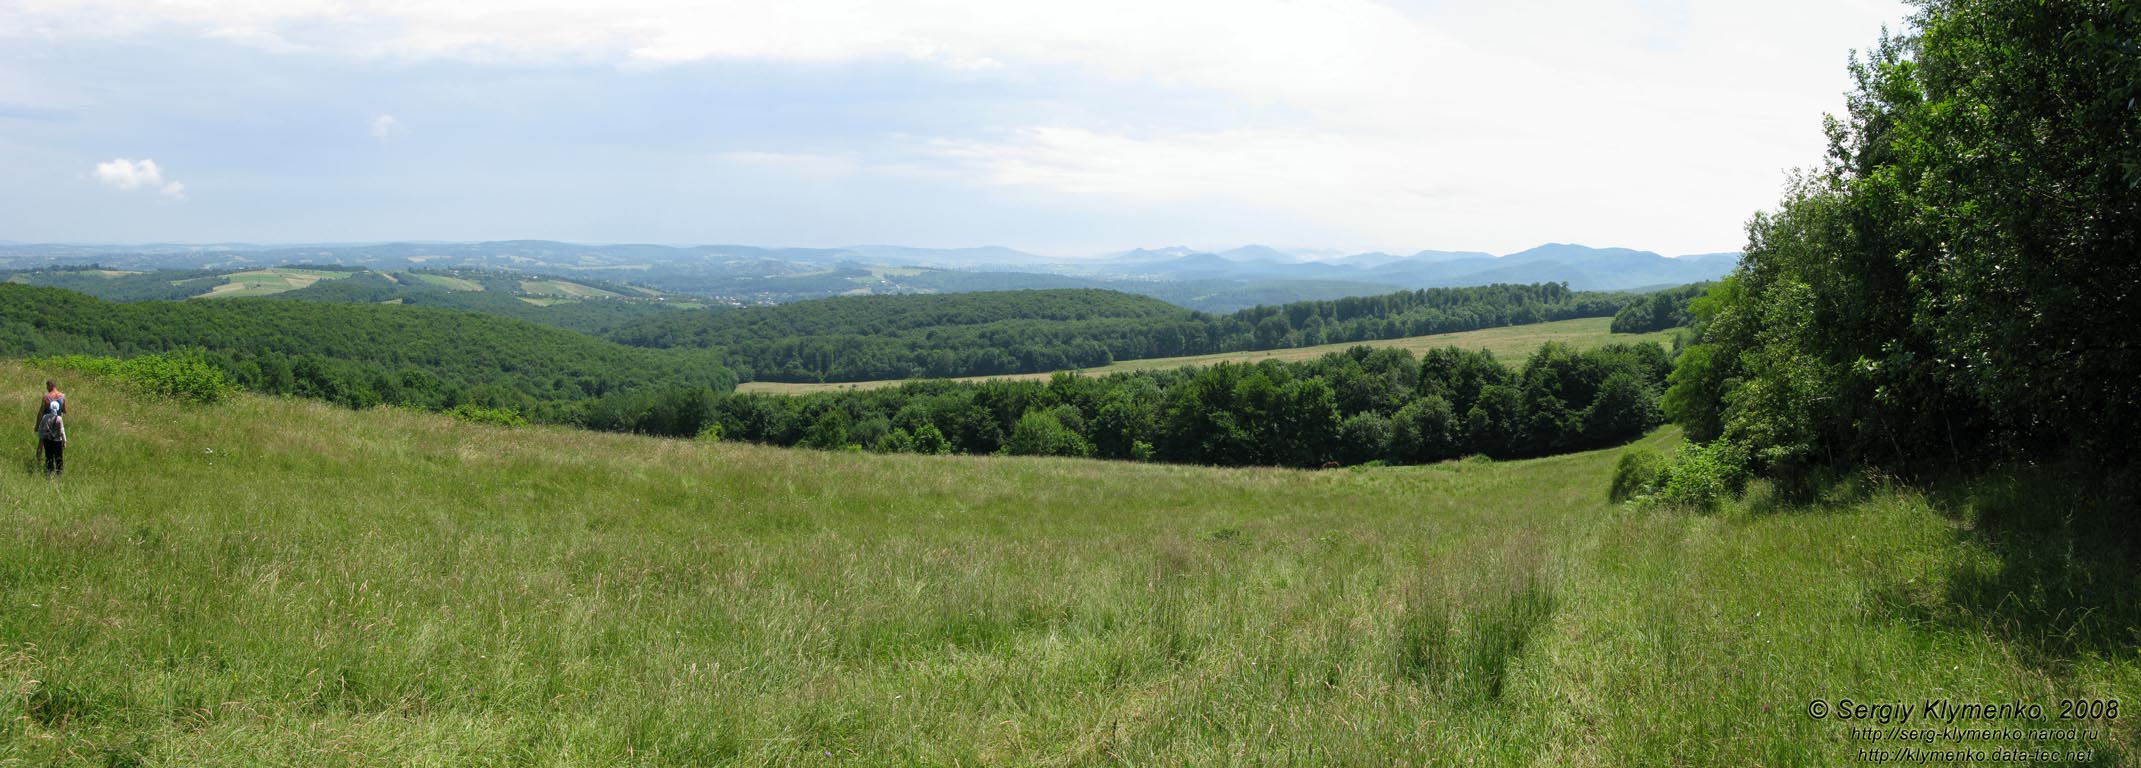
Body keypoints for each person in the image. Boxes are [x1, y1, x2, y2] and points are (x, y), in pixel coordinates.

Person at [37, 399, 66, 477]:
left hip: (47, 440)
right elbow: (62, 431)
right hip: (57, 441)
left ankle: (49, 474)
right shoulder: (59, 419)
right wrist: (64, 441)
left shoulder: (45, 417)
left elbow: (41, 428)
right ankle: (59, 474)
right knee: (58, 458)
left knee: (49, 457)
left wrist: (41, 437)